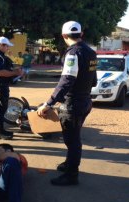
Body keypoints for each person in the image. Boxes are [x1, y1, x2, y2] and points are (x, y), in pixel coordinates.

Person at [37, 21, 97, 186]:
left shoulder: (72, 53)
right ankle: (68, 164)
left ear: (64, 36)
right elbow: (94, 79)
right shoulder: (91, 52)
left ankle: (72, 175)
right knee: (73, 138)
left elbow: (67, 80)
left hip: (73, 104)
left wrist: (48, 103)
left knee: (72, 140)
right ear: (81, 34)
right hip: (85, 101)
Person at [0, 37, 23, 140]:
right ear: (1, 45)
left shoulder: (1, 56)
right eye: (6, 46)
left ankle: (1, 130)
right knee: (0, 108)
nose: (8, 48)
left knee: (3, 108)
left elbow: (10, 67)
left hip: (3, 85)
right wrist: (15, 73)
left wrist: (16, 71)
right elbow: (0, 72)